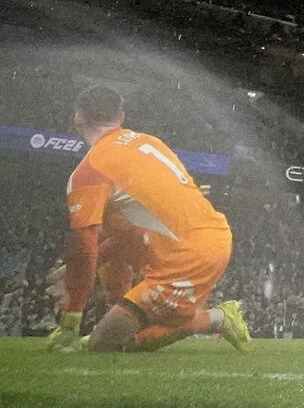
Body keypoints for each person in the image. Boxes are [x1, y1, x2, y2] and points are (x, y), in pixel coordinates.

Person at [46, 85, 251, 353]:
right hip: (207, 237)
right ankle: (124, 318)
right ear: (120, 117)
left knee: (104, 346)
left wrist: (71, 318)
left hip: (187, 257)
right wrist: (79, 270)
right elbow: (125, 234)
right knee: (113, 232)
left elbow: (84, 251)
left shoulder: (88, 173)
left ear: (78, 119)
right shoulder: (150, 142)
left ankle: (219, 318)